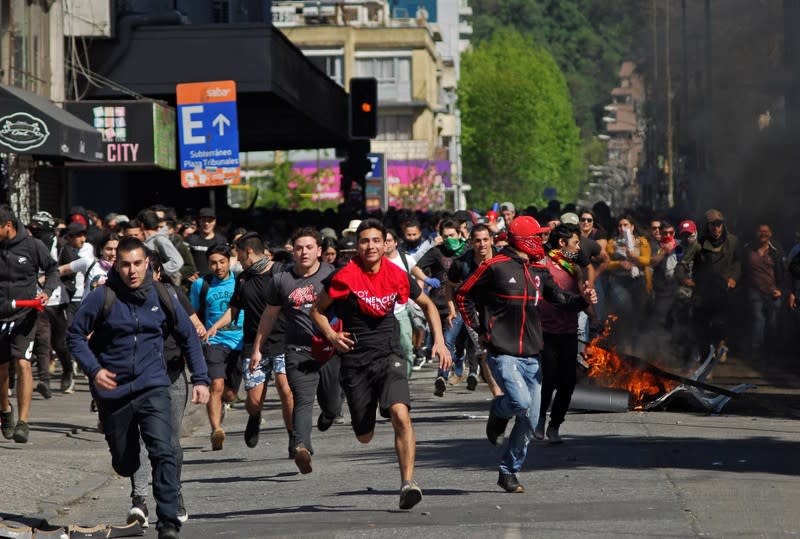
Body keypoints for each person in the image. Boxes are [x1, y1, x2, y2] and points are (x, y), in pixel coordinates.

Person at [66, 237, 209, 539]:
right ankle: (125, 458)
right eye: (125, 264)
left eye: (137, 264)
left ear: (148, 265)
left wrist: (200, 378)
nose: (132, 271)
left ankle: (168, 520)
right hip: (113, 393)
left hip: (153, 385)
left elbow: (189, 337)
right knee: (126, 461)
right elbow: (74, 336)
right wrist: (94, 370)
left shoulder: (163, 295)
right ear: (116, 264)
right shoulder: (102, 297)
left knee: (164, 449)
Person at [310, 218, 451, 510]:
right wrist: (332, 336)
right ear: (357, 246)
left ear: (386, 243)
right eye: (365, 241)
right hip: (355, 360)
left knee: (401, 414)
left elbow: (426, 304)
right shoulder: (344, 276)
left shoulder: (397, 274)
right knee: (365, 436)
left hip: (389, 354)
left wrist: (439, 340)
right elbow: (317, 311)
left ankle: (407, 483)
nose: (371, 246)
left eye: (376, 240)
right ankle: (368, 407)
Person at [455, 216, 595, 494]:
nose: (543, 241)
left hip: (533, 355)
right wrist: (480, 331)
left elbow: (560, 299)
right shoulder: (494, 266)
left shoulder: (540, 272)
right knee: (518, 402)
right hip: (503, 353)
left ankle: (509, 471)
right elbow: (463, 295)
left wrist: (583, 300)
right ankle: (498, 413)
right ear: (524, 240)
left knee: (531, 419)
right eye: (539, 236)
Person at [250, 227, 342, 474]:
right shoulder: (281, 280)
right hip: (297, 350)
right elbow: (269, 316)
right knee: (301, 398)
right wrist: (258, 348)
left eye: (309, 247)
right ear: (293, 251)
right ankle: (301, 446)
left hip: (330, 347)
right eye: (299, 247)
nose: (304, 252)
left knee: (332, 404)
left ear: (319, 251)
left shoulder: (331, 274)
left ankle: (329, 415)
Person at [127, 251, 207, 528]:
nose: (138, 273)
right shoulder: (118, 297)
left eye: (147, 268)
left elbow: (194, 329)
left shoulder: (170, 295)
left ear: (158, 273)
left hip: (171, 377)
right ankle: (139, 501)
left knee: (169, 442)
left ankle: (174, 495)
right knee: (137, 440)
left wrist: (200, 377)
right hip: (134, 381)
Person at [206, 232, 289, 450]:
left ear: (248, 251)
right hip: (254, 345)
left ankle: (295, 438)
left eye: (238, 254)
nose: (237, 259)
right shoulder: (243, 279)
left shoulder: (280, 272)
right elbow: (234, 309)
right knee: (253, 402)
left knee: (286, 389)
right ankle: (255, 417)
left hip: (283, 341)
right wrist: (216, 325)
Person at [0, 206, 60, 444]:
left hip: (25, 315)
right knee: (2, 369)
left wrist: (46, 292)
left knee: (23, 362)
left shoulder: (33, 246)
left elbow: (53, 269)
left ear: (8, 226)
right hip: (1, 314)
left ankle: (23, 422)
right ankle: (5, 410)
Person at [535, 224, 587, 444]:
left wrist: (593, 313)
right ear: (562, 243)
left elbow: (583, 296)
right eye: (576, 243)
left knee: (568, 382)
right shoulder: (542, 264)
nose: (578, 247)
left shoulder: (575, 268)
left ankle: (555, 425)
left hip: (568, 332)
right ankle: (538, 421)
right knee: (548, 380)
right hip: (545, 332)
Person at [189, 244, 244, 451]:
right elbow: (192, 312)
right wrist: (199, 329)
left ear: (230, 260)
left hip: (239, 341)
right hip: (214, 342)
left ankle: (223, 405)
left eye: (222, 261)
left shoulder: (240, 282)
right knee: (216, 386)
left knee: (229, 393)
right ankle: (216, 430)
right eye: (213, 262)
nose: (218, 266)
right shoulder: (201, 285)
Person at [677, 209, 740, 362]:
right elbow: (681, 265)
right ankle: (705, 360)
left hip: (723, 290)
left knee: (720, 324)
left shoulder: (732, 241)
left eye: (719, 224)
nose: (716, 228)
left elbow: (737, 263)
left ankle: (720, 345)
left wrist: (734, 278)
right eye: (712, 225)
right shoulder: (698, 244)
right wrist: (684, 279)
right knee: (701, 326)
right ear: (707, 226)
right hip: (703, 291)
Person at [445, 223, 496, 391]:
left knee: (502, 352)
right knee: (484, 352)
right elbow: (450, 286)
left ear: (491, 240)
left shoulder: (501, 258)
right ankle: (497, 392)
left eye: (485, 240)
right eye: (478, 240)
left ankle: (500, 383)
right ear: (471, 243)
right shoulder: (461, 264)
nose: (482, 244)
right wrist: (452, 309)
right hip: (473, 313)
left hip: (498, 311)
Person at [741, 223, 784, 362]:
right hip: (755, 291)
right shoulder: (747, 249)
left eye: (766, 231)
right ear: (756, 233)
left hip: (773, 292)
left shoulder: (776, 250)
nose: (763, 234)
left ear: (770, 233)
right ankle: (756, 352)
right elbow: (741, 269)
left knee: (773, 323)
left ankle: (771, 353)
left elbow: (784, 271)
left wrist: (781, 289)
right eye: (760, 231)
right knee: (758, 321)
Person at [187, 208, 226, 278]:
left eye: (210, 221)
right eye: (203, 220)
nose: (206, 223)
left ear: (215, 221)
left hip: (217, 281)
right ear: (199, 221)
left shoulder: (221, 240)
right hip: (196, 281)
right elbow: (185, 262)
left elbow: (228, 260)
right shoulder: (191, 239)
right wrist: (189, 274)